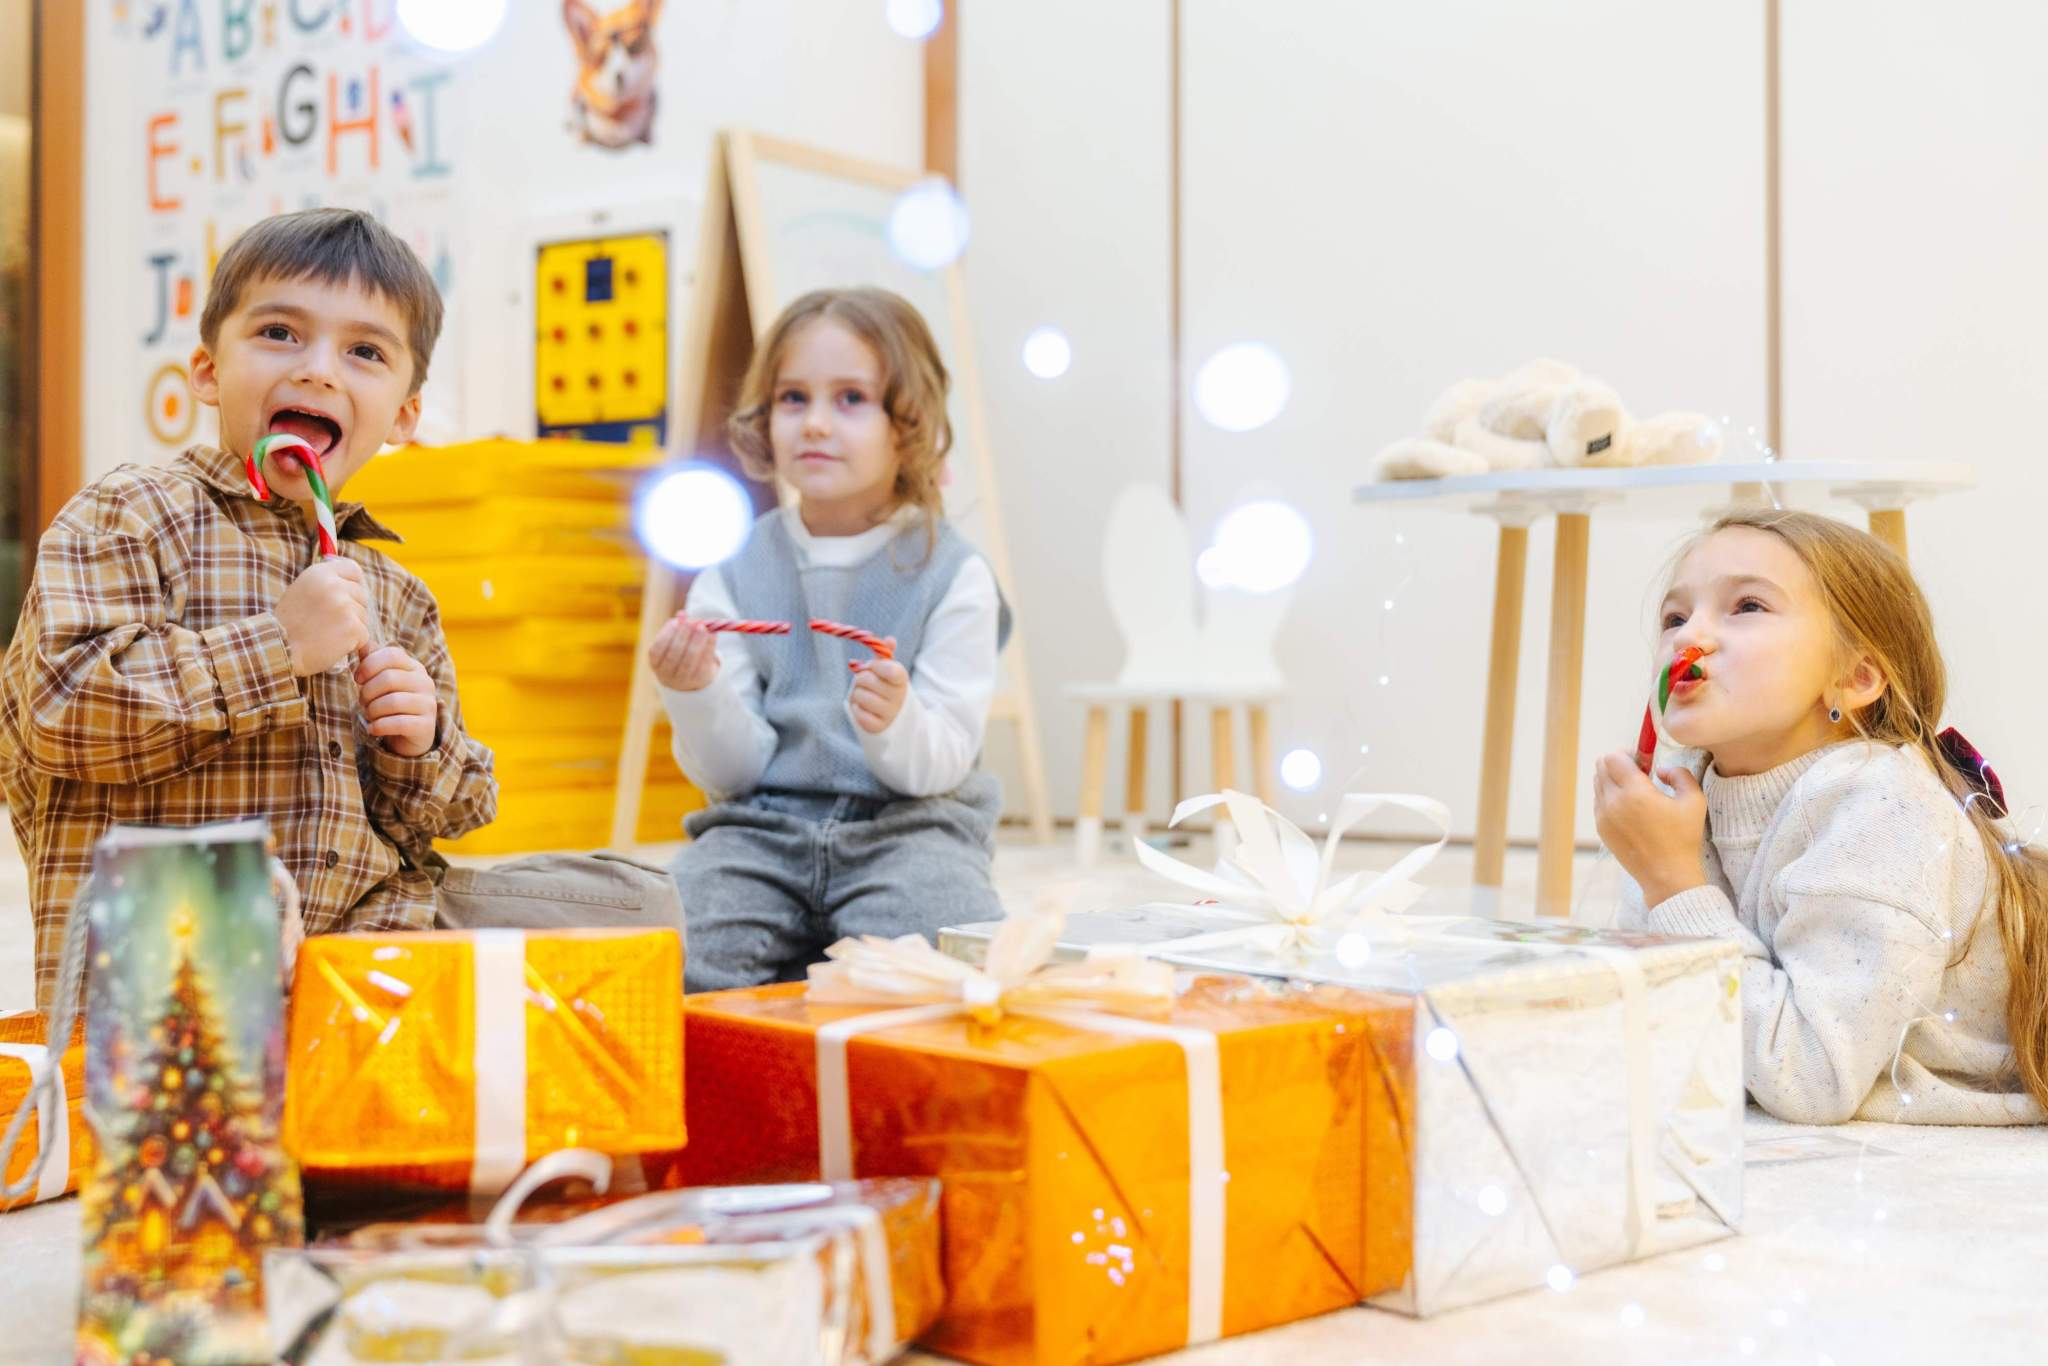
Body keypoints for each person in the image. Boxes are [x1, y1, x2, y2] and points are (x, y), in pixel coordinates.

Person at [1594, 509, 2045, 1124]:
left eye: (1747, 606)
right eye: (1675, 617)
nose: (1688, 636)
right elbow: (1657, 1030)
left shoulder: (1883, 802)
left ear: (1855, 677)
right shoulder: (1676, 801)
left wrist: (1673, 883)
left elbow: (1810, 1078)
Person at [652, 287, 1009, 992]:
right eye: (793, 398)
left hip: (911, 828)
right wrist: (695, 693)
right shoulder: (733, 571)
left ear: (907, 422)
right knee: (666, 955)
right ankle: (804, 954)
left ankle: (807, 956)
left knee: (953, 966)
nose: (814, 423)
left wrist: (896, 722)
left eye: (850, 399)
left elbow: (941, 761)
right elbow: (734, 772)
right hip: (759, 830)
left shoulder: (955, 575)